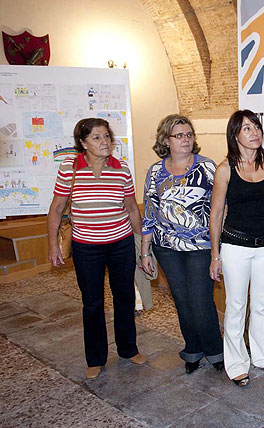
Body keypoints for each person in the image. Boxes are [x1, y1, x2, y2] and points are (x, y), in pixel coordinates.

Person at [47, 118, 147, 380]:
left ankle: (128, 349)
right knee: (92, 303)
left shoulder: (121, 169)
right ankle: (95, 358)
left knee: (124, 298)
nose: (105, 142)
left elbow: (132, 208)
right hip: (86, 247)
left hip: (120, 243)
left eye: (106, 137)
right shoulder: (70, 168)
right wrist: (53, 246)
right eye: (97, 138)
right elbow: (57, 208)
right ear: (83, 143)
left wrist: (140, 243)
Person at [209, 110, 264, 387]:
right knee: (236, 305)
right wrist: (215, 254)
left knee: (260, 304)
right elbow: (217, 212)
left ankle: (260, 354)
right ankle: (235, 362)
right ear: (235, 135)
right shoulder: (225, 169)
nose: (254, 132)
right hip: (235, 245)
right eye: (247, 128)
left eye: (256, 126)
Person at [140, 114, 224, 374]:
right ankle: (193, 349)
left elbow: (221, 208)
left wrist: (218, 247)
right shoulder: (155, 172)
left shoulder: (208, 167)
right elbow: (150, 212)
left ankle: (215, 350)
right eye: (180, 135)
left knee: (200, 299)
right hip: (166, 248)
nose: (186, 140)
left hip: (200, 245)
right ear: (166, 140)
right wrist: (145, 251)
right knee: (182, 299)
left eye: (189, 135)